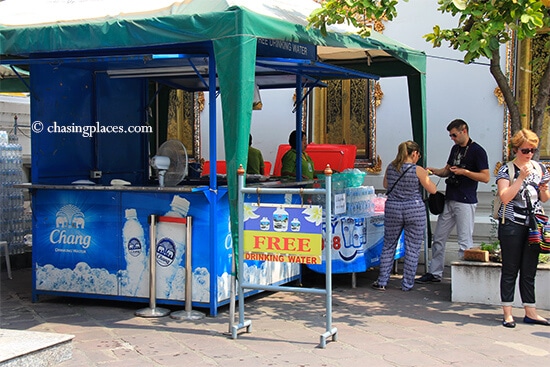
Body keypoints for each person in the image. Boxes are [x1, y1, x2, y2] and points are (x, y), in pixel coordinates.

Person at [416, 119, 490, 283]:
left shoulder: (478, 151)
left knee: (464, 240)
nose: (453, 138)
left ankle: (464, 276)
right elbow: (447, 170)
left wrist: (465, 172)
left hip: (466, 200)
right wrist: (435, 171)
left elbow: (485, 177)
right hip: (450, 198)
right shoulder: (455, 149)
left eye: (454, 135)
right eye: (451, 136)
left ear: (464, 130)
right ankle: (435, 273)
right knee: (439, 237)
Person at [495, 128, 550, 328]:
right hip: (512, 224)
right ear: (516, 149)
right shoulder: (506, 170)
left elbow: (544, 199)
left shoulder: (540, 168)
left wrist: (544, 190)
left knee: (529, 269)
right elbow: (505, 197)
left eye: (532, 150)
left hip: (533, 225)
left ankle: (531, 311)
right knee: (510, 268)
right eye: (525, 150)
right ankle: (508, 312)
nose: (529, 154)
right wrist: (519, 179)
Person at [372, 141, 437, 291]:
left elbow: (386, 185)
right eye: (418, 155)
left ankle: (382, 281)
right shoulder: (418, 170)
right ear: (414, 153)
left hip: (393, 208)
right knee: (412, 248)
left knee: (389, 245)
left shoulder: (391, 167)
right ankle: (407, 284)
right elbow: (432, 190)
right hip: (414, 209)